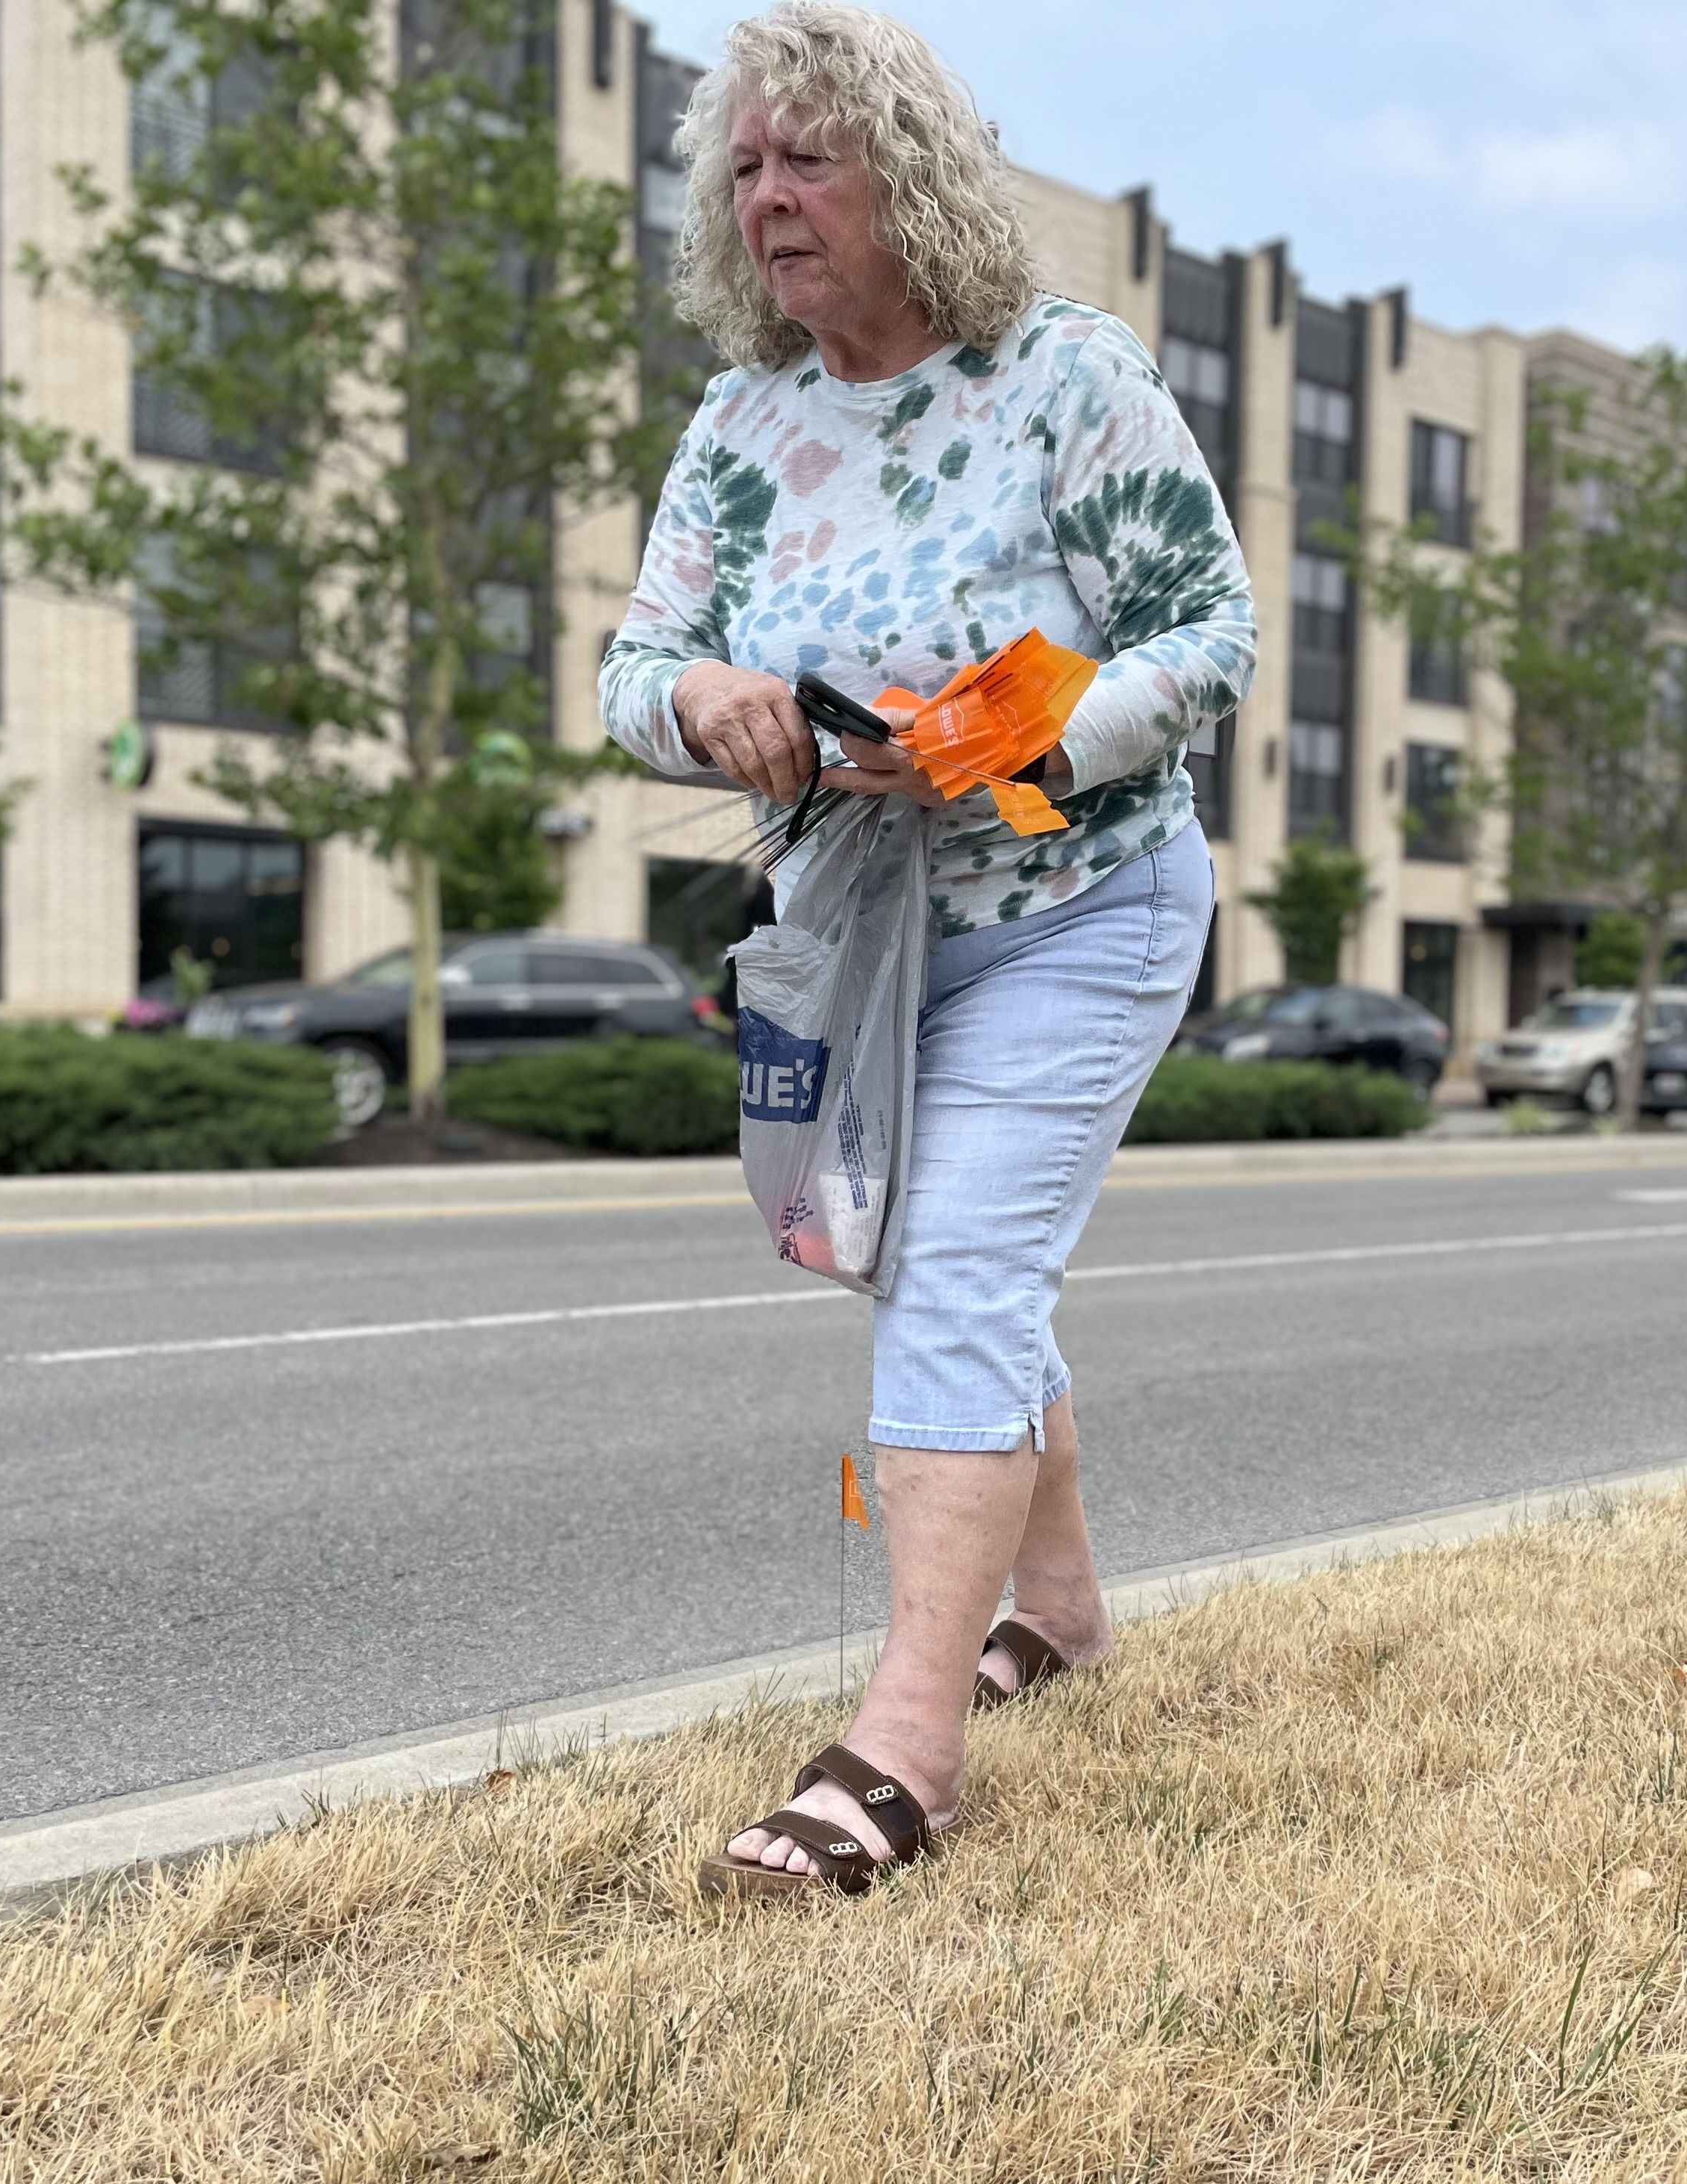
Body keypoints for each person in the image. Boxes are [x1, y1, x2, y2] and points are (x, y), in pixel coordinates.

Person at [599, 1, 1255, 1897]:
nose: (769, 197)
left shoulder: (1063, 376)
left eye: (809, 158)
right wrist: (707, 698)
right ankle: (1064, 1613)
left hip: (1081, 904)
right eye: (744, 168)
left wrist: (1004, 733)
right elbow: (635, 668)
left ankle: (904, 1747)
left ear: (910, 176)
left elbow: (1206, 636)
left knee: (959, 1268)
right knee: (943, 1268)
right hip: (865, 938)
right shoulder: (741, 423)